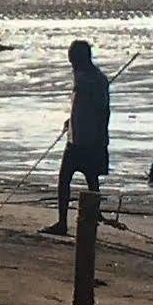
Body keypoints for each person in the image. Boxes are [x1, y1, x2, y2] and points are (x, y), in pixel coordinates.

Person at [42, 39, 111, 235]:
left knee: (88, 180)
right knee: (67, 180)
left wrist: (100, 136)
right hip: (75, 137)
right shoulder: (84, 76)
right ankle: (64, 222)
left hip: (89, 140)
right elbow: (79, 106)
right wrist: (71, 121)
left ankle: (88, 219)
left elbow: (103, 110)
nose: (71, 64)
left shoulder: (96, 80)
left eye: (73, 60)